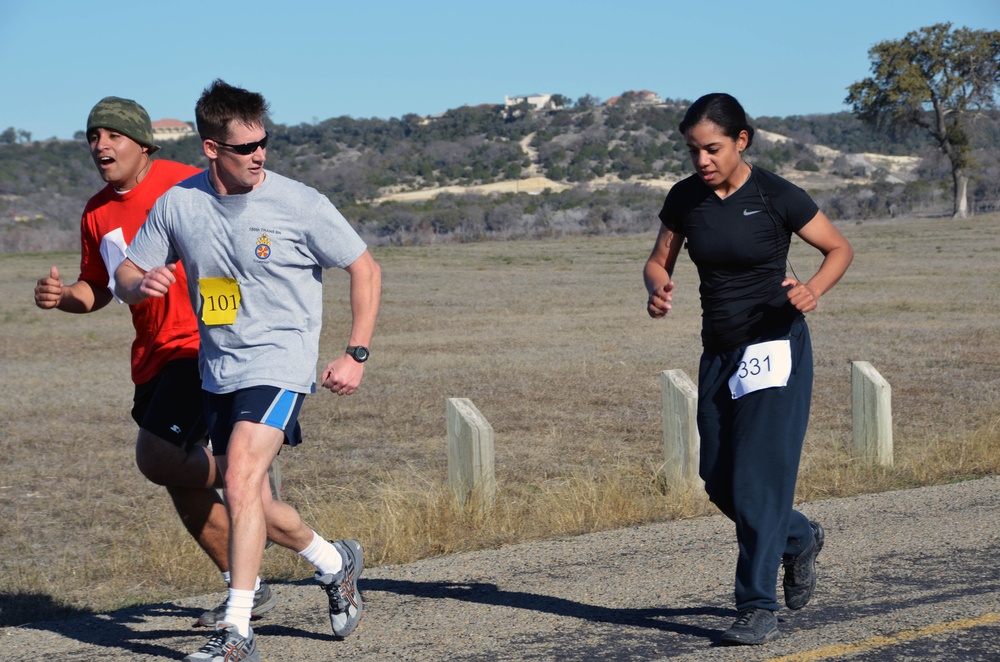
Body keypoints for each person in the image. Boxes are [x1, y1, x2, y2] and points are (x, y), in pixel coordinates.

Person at [114, 79, 382, 662]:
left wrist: (354, 353)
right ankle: (335, 562)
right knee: (251, 495)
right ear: (211, 148)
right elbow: (126, 275)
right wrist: (142, 285)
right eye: (245, 147)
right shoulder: (181, 204)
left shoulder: (299, 202)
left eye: (266, 142)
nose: (260, 156)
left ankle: (237, 631)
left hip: (281, 361)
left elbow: (365, 268)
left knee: (237, 478)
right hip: (219, 368)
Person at [33, 96, 278, 628]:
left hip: (197, 344)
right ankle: (247, 586)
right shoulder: (96, 211)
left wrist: (225, 331)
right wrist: (61, 297)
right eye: (94, 136)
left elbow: (230, 250)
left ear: (143, 143)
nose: (101, 145)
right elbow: (97, 289)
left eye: (113, 135)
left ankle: (244, 473)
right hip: (150, 354)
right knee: (176, 475)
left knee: (160, 455)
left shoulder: (185, 182)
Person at [643, 93, 853, 646]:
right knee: (717, 476)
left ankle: (757, 607)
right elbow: (657, 258)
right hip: (720, 351)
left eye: (711, 148)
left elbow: (838, 249)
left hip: (775, 346)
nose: (701, 161)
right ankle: (799, 535)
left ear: (742, 141)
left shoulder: (777, 195)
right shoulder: (685, 198)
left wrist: (811, 290)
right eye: (692, 151)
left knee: (758, 478)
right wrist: (656, 286)